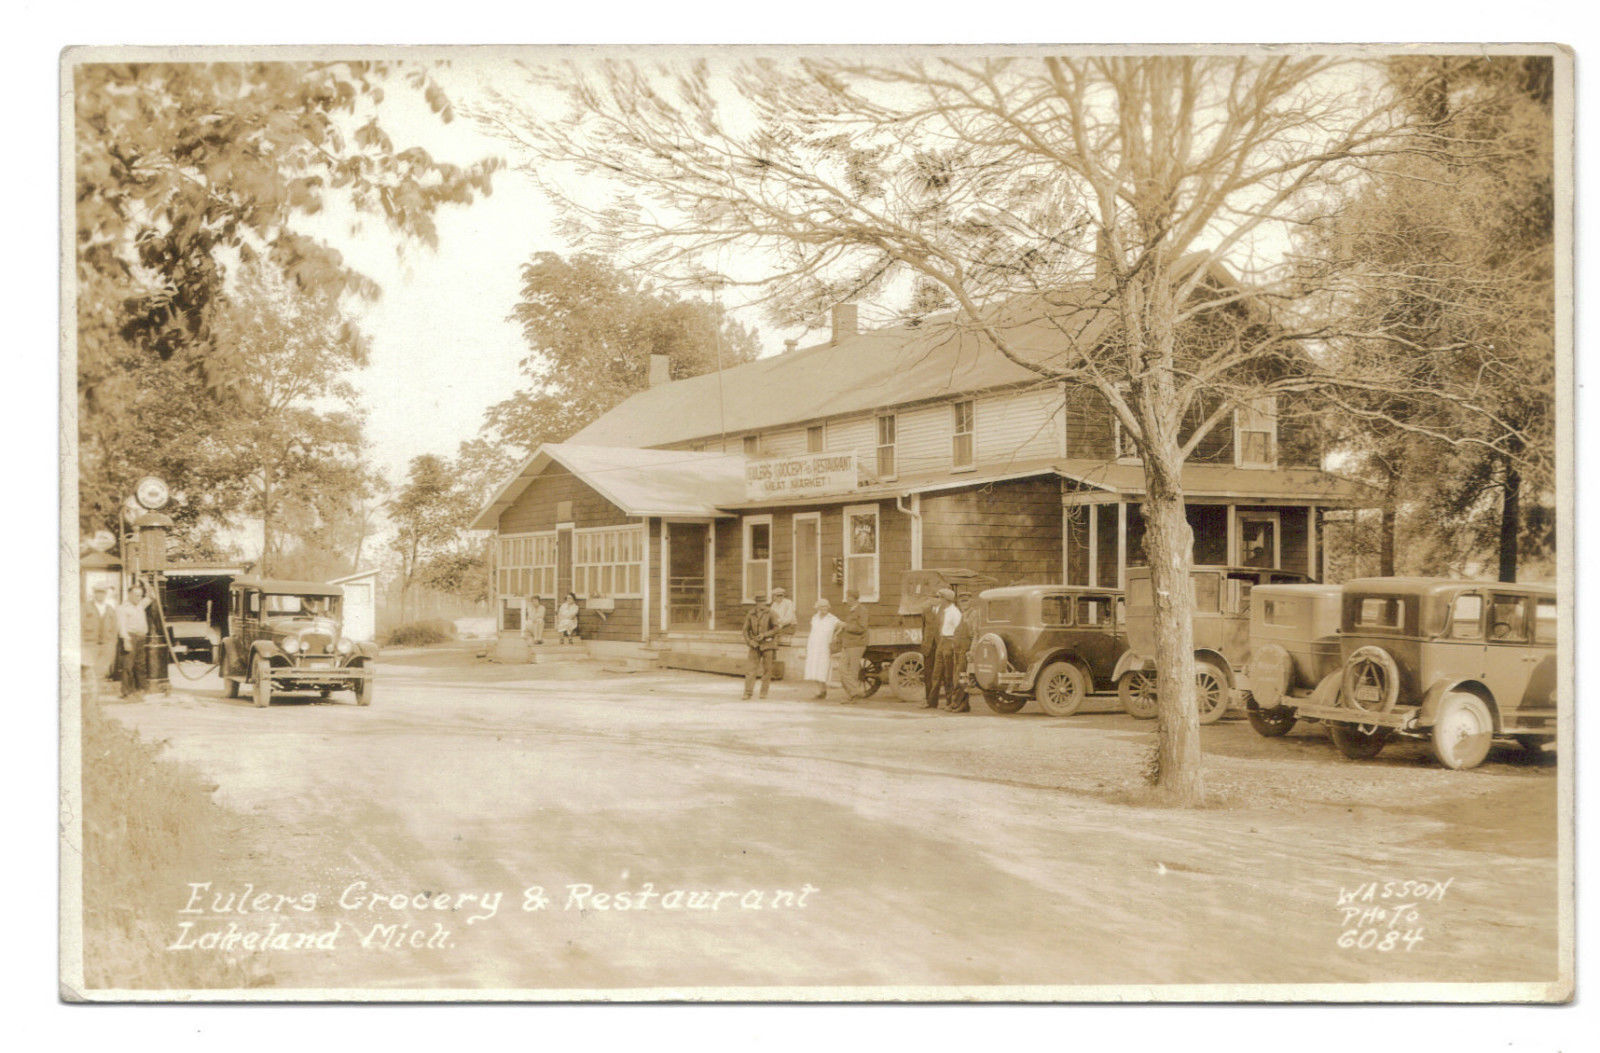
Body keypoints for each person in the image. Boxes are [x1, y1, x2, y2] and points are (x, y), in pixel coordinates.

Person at [926, 587, 964, 710]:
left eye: (940, 597)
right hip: (942, 642)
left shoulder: (954, 612)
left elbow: (959, 630)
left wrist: (954, 645)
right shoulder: (943, 611)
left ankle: (949, 702)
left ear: (946, 599)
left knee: (949, 674)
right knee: (936, 674)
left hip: (950, 642)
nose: (939, 600)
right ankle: (932, 702)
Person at [115, 582, 154, 700]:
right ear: (129, 595)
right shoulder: (122, 608)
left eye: (140, 595)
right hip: (130, 638)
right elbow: (121, 626)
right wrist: (126, 640)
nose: (139, 598)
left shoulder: (140, 605)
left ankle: (141, 689)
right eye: (136, 595)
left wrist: (146, 583)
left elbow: (151, 596)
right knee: (128, 666)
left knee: (140, 664)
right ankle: (126, 692)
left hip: (141, 638)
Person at [801, 598, 841, 701]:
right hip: (813, 646)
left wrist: (835, 635)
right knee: (814, 668)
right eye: (822, 606)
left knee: (822, 668)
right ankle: (820, 691)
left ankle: (823, 691)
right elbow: (812, 632)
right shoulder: (815, 618)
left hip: (824, 647)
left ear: (828, 607)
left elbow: (842, 626)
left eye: (826, 606)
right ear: (818, 608)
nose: (824, 608)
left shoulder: (832, 619)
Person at [741, 595, 778, 699]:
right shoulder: (751, 614)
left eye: (764, 602)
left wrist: (765, 635)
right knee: (751, 670)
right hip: (755, 645)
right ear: (756, 603)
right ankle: (748, 692)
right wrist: (749, 641)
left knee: (767, 670)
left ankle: (763, 692)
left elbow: (777, 629)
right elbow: (745, 630)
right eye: (759, 602)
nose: (762, 604)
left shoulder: (771, 613)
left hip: (768, 645)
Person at [82, 585, 118, 687]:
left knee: (101, 673)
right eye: (98, 592)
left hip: (105, 645)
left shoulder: (110, 609)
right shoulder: (85, 607)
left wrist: (112, 644)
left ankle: (96, 699)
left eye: (102, 593)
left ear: (105, 594)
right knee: (89, 673)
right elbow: (79, 625)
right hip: (89, 645)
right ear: (94, 594)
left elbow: (115, 628)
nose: (100, 595)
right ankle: (91, 700)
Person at [837, 589, 869, 702]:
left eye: (848, 598)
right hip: (848, 644)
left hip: (857, 644)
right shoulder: (851, 610)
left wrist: (846, 626)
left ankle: (853, 696)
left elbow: (862, 628)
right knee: (842, 669)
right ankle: (856, 692)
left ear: (854, 598)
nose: (846, 600)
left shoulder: (862, 610)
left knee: (853, 671)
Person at [919, 590, 946, 704]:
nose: (933, 600)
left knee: (943, 674)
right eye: (931, 598)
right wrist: (924, 642)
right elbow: (924, 628)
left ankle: (949, 701)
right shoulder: (926, 611)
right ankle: (930, 701)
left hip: (941, 646)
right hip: (929, 646)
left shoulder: (945, 611)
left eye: (936, 598)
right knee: (928, 674)